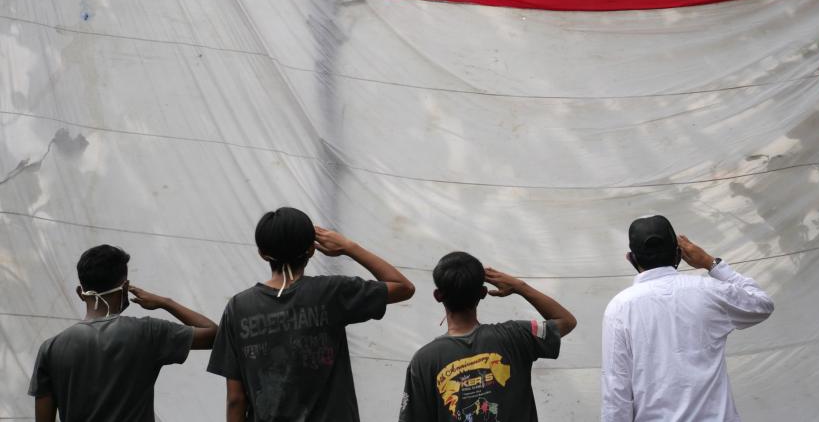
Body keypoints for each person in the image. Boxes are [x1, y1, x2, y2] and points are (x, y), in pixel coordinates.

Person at [207, 206, 416, 421]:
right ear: (312, 250)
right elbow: (403, 287)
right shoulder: (331, 292)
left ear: (262, 253)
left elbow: (235, 398)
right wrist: (349, 247)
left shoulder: (238, 307)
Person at [601, 214, 775, 422]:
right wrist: (711, 263)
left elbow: (616, 391)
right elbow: (762, 304)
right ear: (679, 254)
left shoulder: (619, 308)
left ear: (631, 258)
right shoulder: (709, 291)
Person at [28, 244, 218, 422]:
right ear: (126, 288)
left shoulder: (50, 348)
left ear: (80, 292)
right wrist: (165, 302)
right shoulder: (148, 332)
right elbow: (214, 334)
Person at [398, 251, 577, 422]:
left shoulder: (423, 360)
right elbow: (566, 321)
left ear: (438, 296)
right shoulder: (515, 335)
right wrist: (519, 287)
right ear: (483, 293)